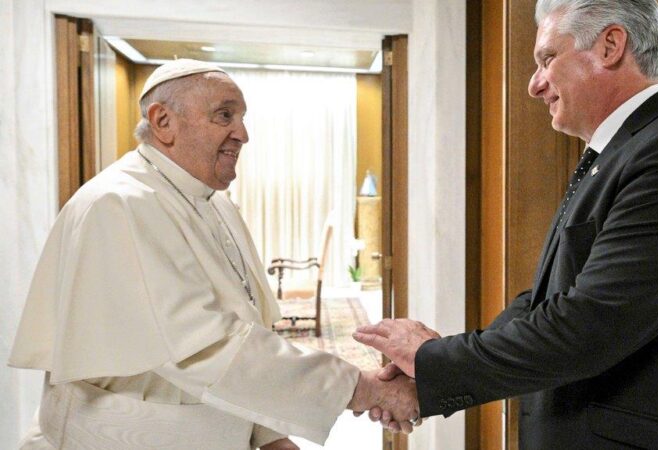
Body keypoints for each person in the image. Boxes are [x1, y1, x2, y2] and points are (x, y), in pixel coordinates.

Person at [354, 0, 658, 448]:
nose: (534, 84)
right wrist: (430, 375)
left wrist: (433, 361)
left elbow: (591, 324)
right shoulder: (618, 155)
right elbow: (546, 303)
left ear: (610, 46)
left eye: (547, 59)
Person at [9, 59, 418, 450]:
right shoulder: (118, 204)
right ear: (163, 122)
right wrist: (362, 388)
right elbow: (202, 348)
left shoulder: (215, 202)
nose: (242, 133)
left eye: (241, 118)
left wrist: (270, 434)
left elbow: (246, 328)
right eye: (225, 115)